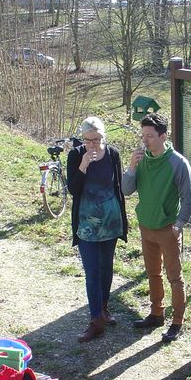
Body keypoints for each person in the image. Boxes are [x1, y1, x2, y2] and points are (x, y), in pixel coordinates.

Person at [121, 113, 191, 342]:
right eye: (143, 135)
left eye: (150, 136)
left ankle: (177, 321)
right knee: (153, 273)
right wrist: (132, 167)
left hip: (168, 228)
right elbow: (126, 190)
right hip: (146, 226)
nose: (145, 140)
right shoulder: (141, 159)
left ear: (163, 136)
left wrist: (179, 225)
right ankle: (156, 313)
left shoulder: (177, 163)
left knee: (174, 276)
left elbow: (190, 199)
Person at [66, 117, 128, 343]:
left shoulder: (112, 154)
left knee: (106, 268)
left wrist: (123, 219)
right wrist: (83, 166)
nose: (93, 144)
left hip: (110, 223)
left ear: (105, 136)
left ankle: (103, 308)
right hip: (87, 225)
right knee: (92, 271)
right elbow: (73, 189)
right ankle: (95, 321)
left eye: (98, 139)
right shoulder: (75, 155)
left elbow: (119, 187)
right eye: (88, 140)